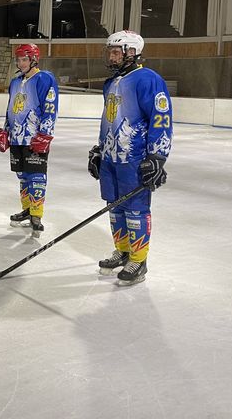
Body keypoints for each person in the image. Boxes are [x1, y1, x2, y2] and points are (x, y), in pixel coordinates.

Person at [87, 30, 172, 286]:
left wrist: (157, 156)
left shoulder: (148, 79)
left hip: (134, 158)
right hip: (112, 157)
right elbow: (109, 119)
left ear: (131, 52)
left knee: (135, 208)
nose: (111, 57)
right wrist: (100, 149)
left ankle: (138, 259)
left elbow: (161, 118)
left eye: (116, 52)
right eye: (110, 52)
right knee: (114, 206)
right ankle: (123, 251)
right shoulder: (110, 83)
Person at [0, 44, 58, 239]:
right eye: (18, 59)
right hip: (16, 137)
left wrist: (45, 134)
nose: (20, 63)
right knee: (23, 176)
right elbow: (10, 108)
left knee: (36, 176)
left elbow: (50, 107)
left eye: (24, 59)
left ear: (33, 59)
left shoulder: (44, 78)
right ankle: (27, 210)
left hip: (34, 138)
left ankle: (37, 215)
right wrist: (5, 131)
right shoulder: (15, 82)